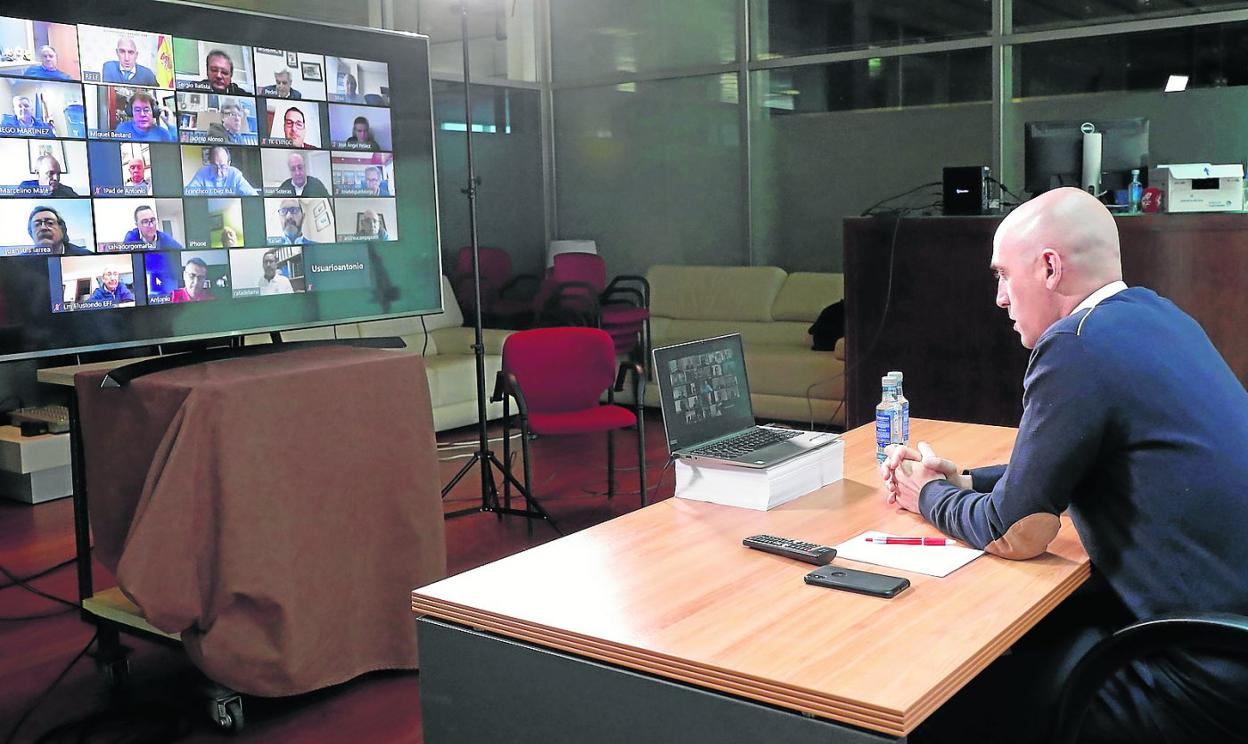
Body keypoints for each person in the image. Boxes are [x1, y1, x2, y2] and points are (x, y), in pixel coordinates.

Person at [880, 187, 1248, 744]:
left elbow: (1014, 531)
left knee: (943, 704)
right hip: (1229, 639)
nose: (1001, 297)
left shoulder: (1074, 345)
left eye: (1004, 275)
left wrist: (925, 495)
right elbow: (1091, 459)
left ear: (1049, 268)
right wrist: (962, 480)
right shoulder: (1159, 317)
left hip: (1198, 677)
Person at [185, 146, 257, 196]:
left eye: (223, 166)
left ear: (228, 163)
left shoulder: (235, 174)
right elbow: (186, 194)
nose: (219, 173)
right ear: (210, 163)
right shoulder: (202, 173)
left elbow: (253, 196)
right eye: (214, 166)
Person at [112, 91, 177, 142]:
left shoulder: (162, 133)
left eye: (146, 110)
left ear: (154, 112)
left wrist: (171, 126)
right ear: (131, 112)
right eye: (137, 110)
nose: (142, 114)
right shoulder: (122, 129)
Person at [26, 205, 91, 255]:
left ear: (62, 229)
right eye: (37, 224)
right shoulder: (19, 262)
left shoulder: (86, 255)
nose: (43, 228)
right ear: (31, 233)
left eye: (50, 223)